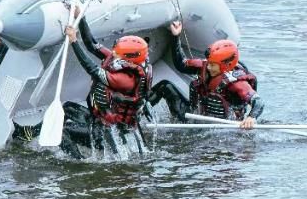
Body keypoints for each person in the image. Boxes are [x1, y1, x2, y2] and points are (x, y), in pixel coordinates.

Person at [62, 13, 152, 158]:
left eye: (118, 53)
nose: (113, 54)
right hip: (104, 120)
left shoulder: (126, 80)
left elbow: (91, 69)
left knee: (63, 132)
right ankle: (31, 132)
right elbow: (92, 45)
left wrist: (73, 42)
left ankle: (80, 163)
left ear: (129, 59)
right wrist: (81, 18)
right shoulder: (127, 62)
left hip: (110, 133)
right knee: (66, 107)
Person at [168, 20, 264, 129]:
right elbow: (181, 65)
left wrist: (251, 117)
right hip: (198, 119)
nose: (208, 67)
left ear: (226, 65)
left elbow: (258, 101)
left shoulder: (238, 83)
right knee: (165, 87)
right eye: (209, 63)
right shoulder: (205, 66)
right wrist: (175, 36)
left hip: (225, 129)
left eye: (213, 65)